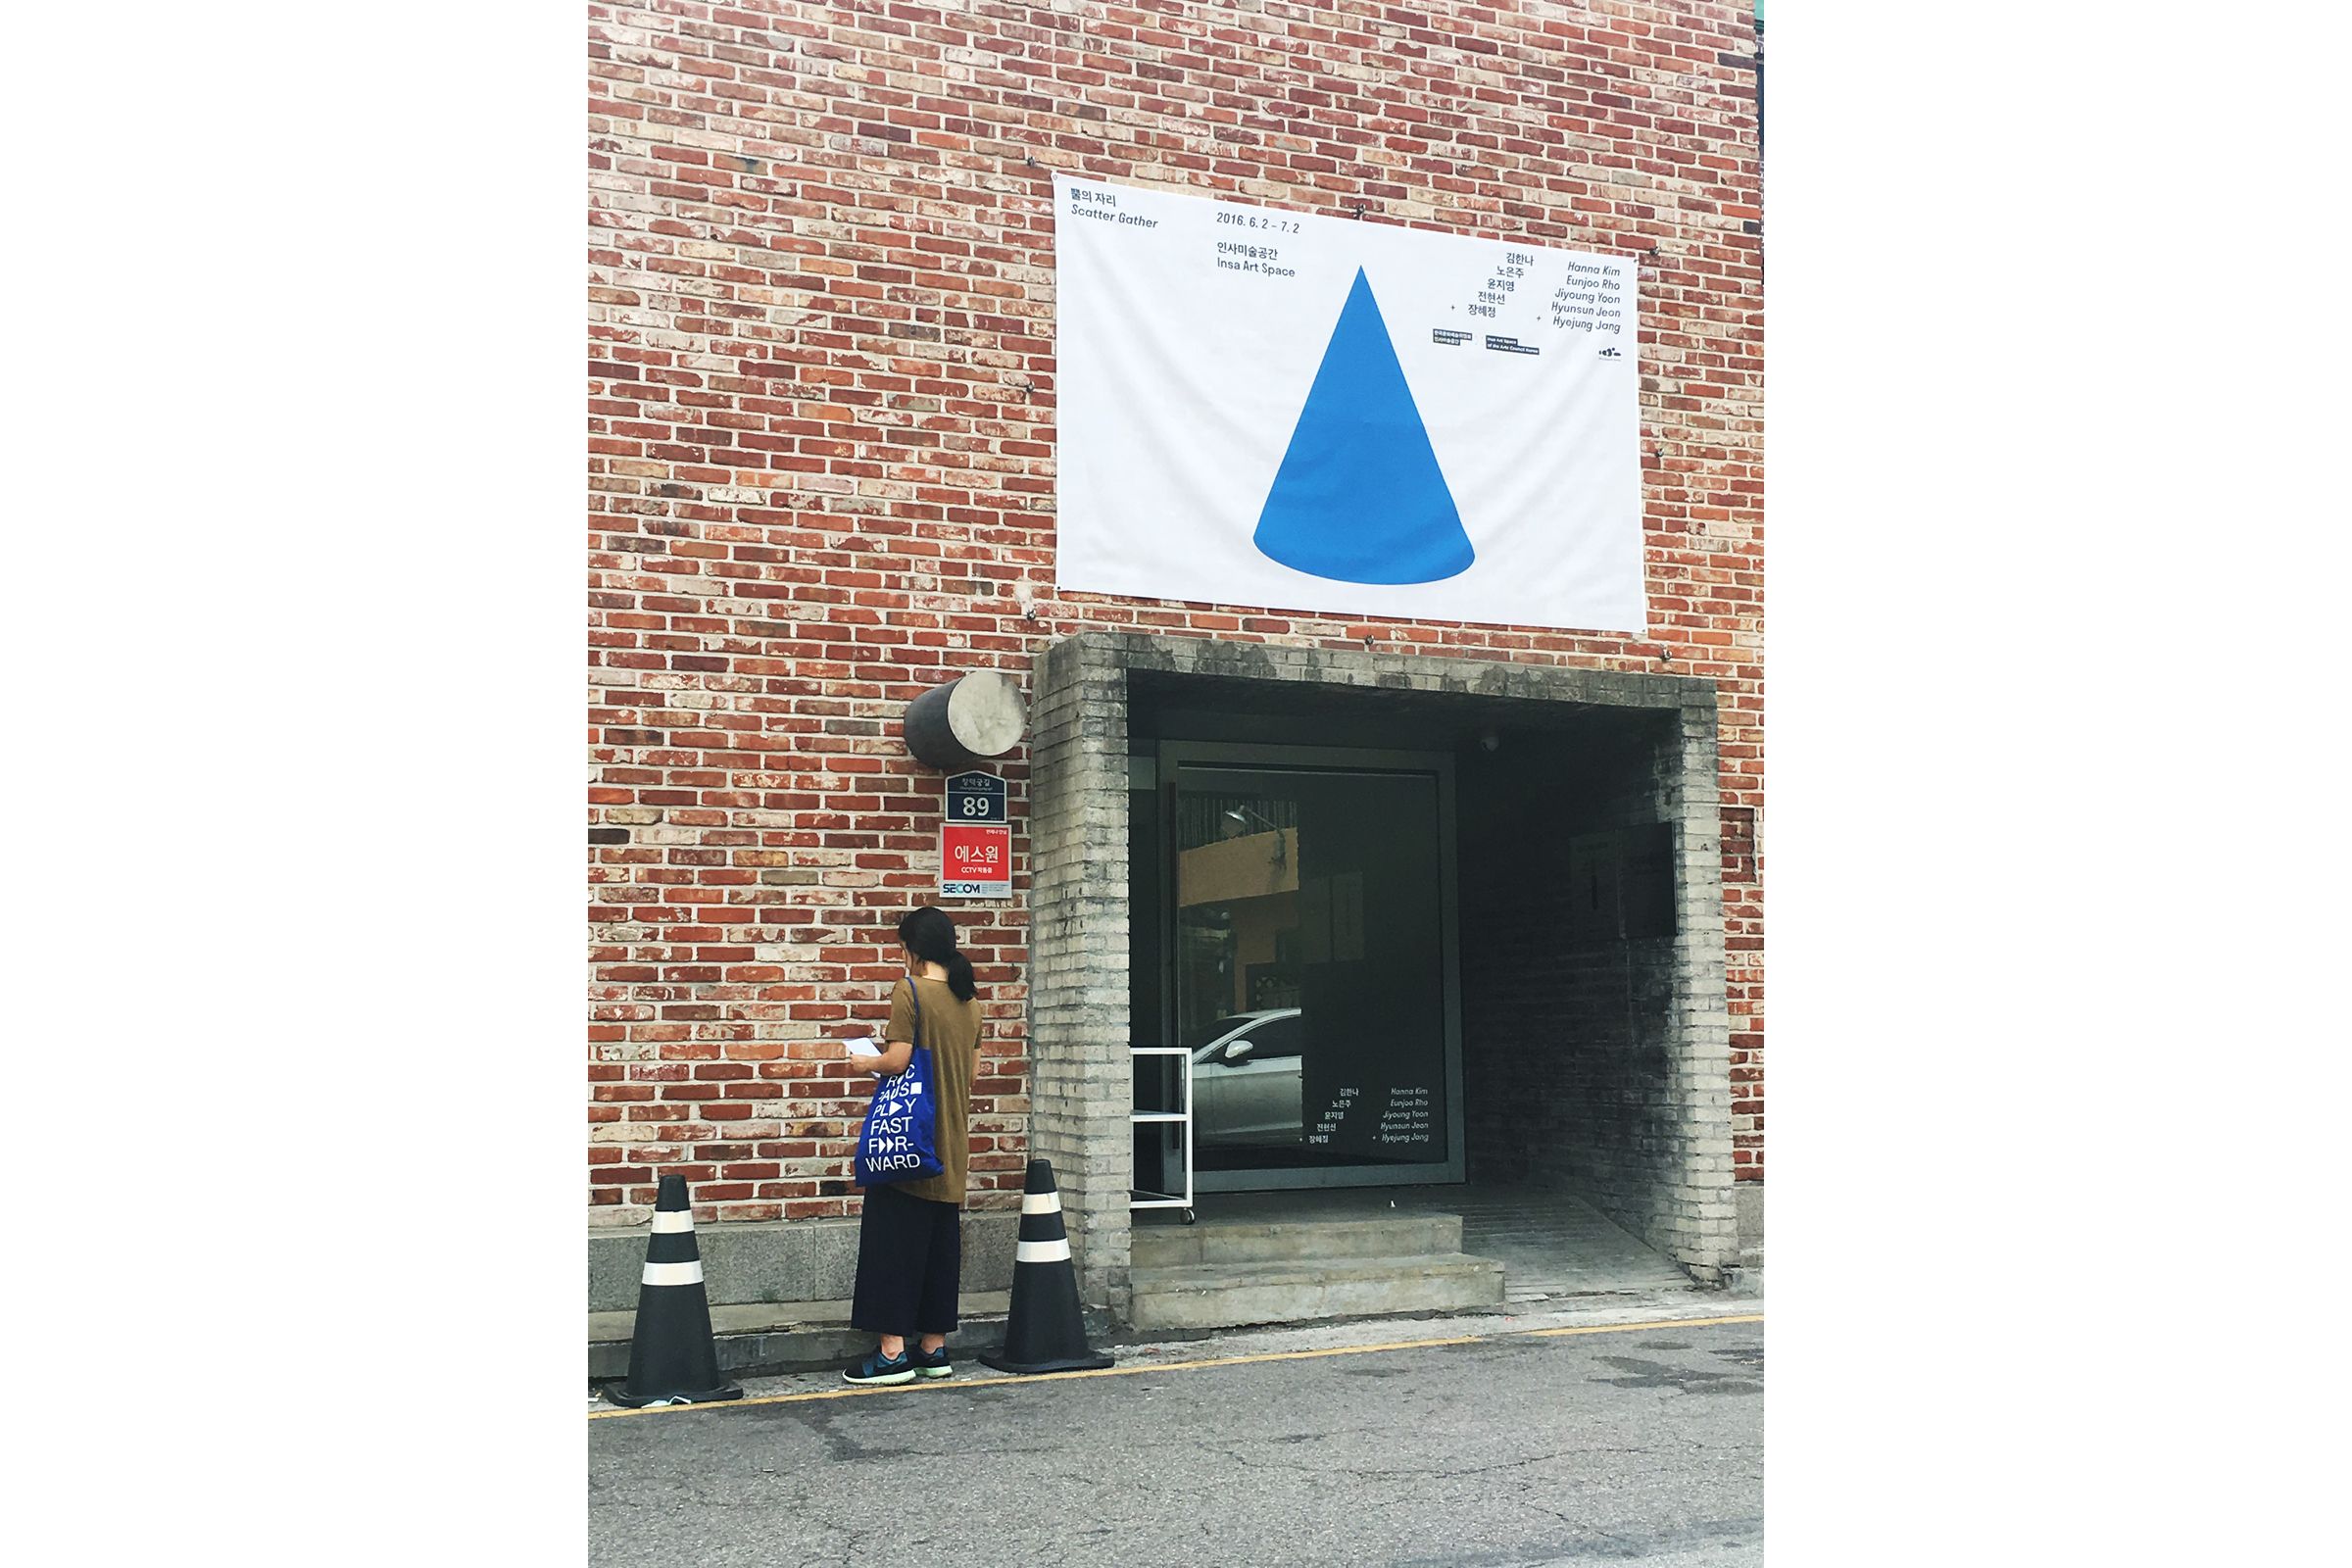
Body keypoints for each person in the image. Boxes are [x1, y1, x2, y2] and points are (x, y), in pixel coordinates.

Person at [842, 906, 984, 1386]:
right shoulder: (970, 1001)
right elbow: (972, 1074)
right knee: (940, 1249)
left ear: (913, 949)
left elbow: (899, 1059)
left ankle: (891, 1355)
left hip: (908, 1143)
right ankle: (933, 1349)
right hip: (952, 1145)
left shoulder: (911, 990)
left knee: (892, 1245)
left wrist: (866, 1062)